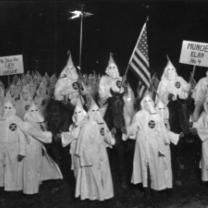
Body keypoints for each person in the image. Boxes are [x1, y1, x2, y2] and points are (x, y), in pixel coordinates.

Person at [126, 93, 183, 193]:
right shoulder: (138, 115)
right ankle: (145, 188)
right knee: (143, 165)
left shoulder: (157, 116)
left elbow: (163, 130)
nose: (147, 104)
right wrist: (127, 132)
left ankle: (155, 187)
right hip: (142, 143)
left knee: (154, 166)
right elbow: (133, 129)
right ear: (142, 104)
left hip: (154, 145)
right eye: (145, 102)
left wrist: (171, 138)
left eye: (149, 101)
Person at [74, 100, 115, 201]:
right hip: (91, 155)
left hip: (102, 153)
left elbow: (109, 138)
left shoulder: (102, 124)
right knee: (93, 177)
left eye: (98, 110)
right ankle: (94, 196)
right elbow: (82, 144)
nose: (96, 113)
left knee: (104, 174)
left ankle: (106, 194)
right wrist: (84, 158)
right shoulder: (87, 126)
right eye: (94, 111)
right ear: (90, 113)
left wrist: (112, 137)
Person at [22, 102, 63, 195]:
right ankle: (29, 191)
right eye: (32, 111)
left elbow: (41, 134)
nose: (34, 112)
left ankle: (35, 187)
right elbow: (38, 134)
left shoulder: (36, 123)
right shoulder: (27, 124)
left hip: (37, 147)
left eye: (36, 110)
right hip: (30, 149)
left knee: (37, 167)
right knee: (30, 169)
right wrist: (52, 135)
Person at [0, 100, 26, 191]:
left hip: (14, 147)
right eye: (5, 108)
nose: (7, 110)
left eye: (9, 107)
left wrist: (22, 151)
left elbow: (22, 136)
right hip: (1, 146)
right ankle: (1, 183)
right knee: (1, 166)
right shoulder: (0, 120)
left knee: (13, 167)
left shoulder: (17, 120)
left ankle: (14, 186)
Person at [192, 96, 208, 182]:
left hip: (205, 137)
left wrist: (198, 131)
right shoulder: (204, 114)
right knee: (205, 159)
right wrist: (193, 127)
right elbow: (198, 123)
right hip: (205, 142)